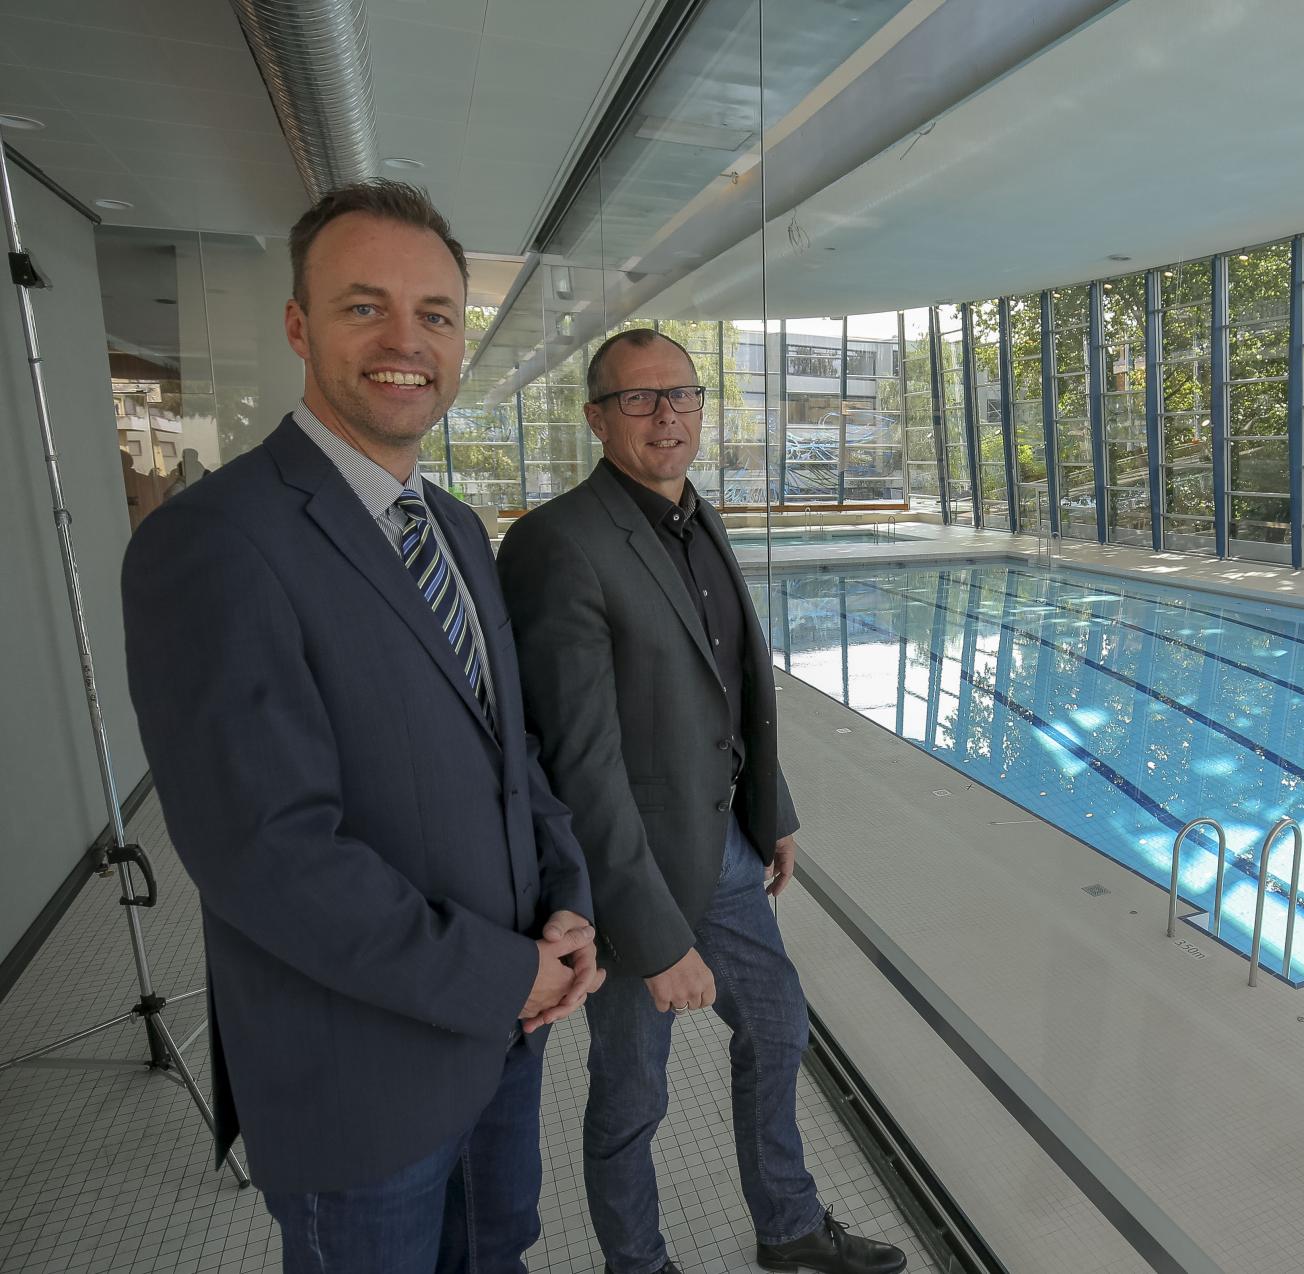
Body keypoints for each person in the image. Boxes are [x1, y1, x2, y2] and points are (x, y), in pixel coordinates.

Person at [120, 180, 604, 1274]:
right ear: (298, 323)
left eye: (436, 313)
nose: (406, 340)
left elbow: (506, 747)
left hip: (502, 1033)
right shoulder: (216, 542)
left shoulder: (459, 528)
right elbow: (268, 852)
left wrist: (568, 899)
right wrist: (500, 973)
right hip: (362, 1072)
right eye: (363, 306)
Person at [497, 329, 906, 1274]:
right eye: (640, 400)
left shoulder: (693, 515)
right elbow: (579, 761)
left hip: (720, 847)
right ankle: (637, 1265)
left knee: (778, 1026)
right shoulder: (559, 542)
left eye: (682, 395)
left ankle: (789, 1228)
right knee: (633, 1091)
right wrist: (651, 936)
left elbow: (731, 685)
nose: (667, 416)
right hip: (625, 875)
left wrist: (775, 807)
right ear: (597, 419)